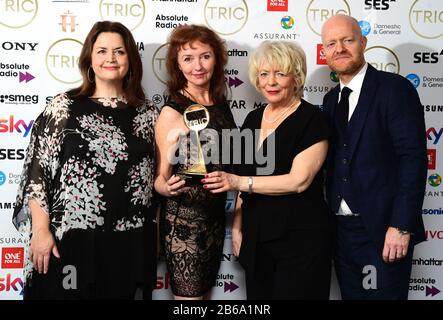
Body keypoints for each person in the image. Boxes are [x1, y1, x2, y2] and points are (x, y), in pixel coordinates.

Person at [12, 21, 158, 300]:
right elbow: (37, 173)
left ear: (131, 60)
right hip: (71, 240)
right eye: (102, 51)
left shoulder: (149, 114)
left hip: (129, 242)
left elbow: (155, 181)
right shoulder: (64, 106)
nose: (111, 59)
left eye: (120, 51)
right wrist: (41, 231)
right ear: (89, 58)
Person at [203, 40, 332, 300]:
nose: (270, 82)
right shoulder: (252, 119)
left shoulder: (314, 120)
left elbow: (298, 181)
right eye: (264, 74)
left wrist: (239, 183)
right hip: (257, 239)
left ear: (296, 77)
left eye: (280, 73)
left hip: (300, 241)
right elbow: (241, 177)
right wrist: (238, 228)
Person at [321, 14, 427, 300]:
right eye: (331, 43)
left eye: (347, 40)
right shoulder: (330, 100)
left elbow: (413, 159)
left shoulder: (394, 89)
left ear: (363, 42)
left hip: (384, 232)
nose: (339, 48)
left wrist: (401, 225)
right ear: (324, 52)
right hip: (342, 234)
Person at [154, 24, 236, 300]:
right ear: (177, 65)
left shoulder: (221, 103)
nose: (197, 66)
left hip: (213, 220)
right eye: (188, 58)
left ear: (217, 58)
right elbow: (160, 178)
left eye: (205, 56)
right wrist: (167, 188)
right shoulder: (173, 110)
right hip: (184, 224)